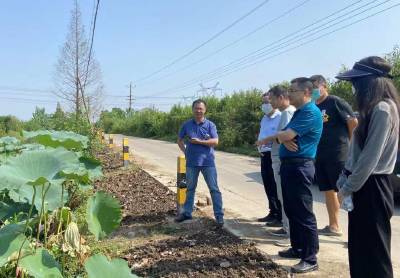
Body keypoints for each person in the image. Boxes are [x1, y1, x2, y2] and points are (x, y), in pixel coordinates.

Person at [336, 56, 400, 278]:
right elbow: (358, 153)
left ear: (369, 82)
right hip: (363, 185)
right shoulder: (371, 109)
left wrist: (346, 189)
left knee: (375, 254)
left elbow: (370, 158)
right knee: (360, 249)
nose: (354, 89)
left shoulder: (383, 109)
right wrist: (344, 177)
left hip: (373, 186)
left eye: (356, 83)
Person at [275, 77, 322, 274]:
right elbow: (283, 135)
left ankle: (310, 258)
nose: (288, 95)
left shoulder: (310, 112)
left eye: (292, 91)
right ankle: (297, 248)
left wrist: (284, 137)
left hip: (300, 167)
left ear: (305, 92)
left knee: (303, 213)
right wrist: (284, 137)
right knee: (292, 210)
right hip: (290, 167)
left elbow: (284, 135)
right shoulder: (299, 112)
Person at [309, 75, 358, 236]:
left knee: (343, 190)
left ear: (325, 87)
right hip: (320, 154)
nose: (314, 91)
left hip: (338, 154)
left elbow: (353, 123)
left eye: (316, 87)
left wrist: (351, 147)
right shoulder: (313, 106)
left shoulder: (335, 102)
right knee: (328, 190)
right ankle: (333, 226)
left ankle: (356, 232)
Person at [255, 85, 296, 247]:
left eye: (271, 99)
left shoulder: (286, 113)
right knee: (279, 193)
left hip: (282, 158)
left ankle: (291, 233)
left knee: (286, 197)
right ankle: (286, 227)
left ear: (280, 97)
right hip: (274, 156)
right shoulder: (270, 117)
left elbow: (287, 136)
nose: (269, 103)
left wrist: (274, 138)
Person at [175, 99, 224, 227]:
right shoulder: (187, 125)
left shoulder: (210, 125)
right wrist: (185, 152)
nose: (198, 111)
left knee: (214, 189)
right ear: (192, 109)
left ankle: (219, 215)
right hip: (191, 162)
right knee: (190, 188)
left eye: (200, 108)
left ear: (205, 110)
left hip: (208, 162)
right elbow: (179, 140)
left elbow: (215, 142)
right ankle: (187, 213)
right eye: (196, 108)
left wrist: (199, 142)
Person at [255, 92, 282, 226]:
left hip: (274, 155)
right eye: (263, 103)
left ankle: (280, 216)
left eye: (267, 102)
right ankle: (273, 211)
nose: (265, 105)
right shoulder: (265, 118)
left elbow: (280, 137)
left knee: (276, 185)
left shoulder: (280, 117)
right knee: (268, 185)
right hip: (264, 155)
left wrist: (267, 142)